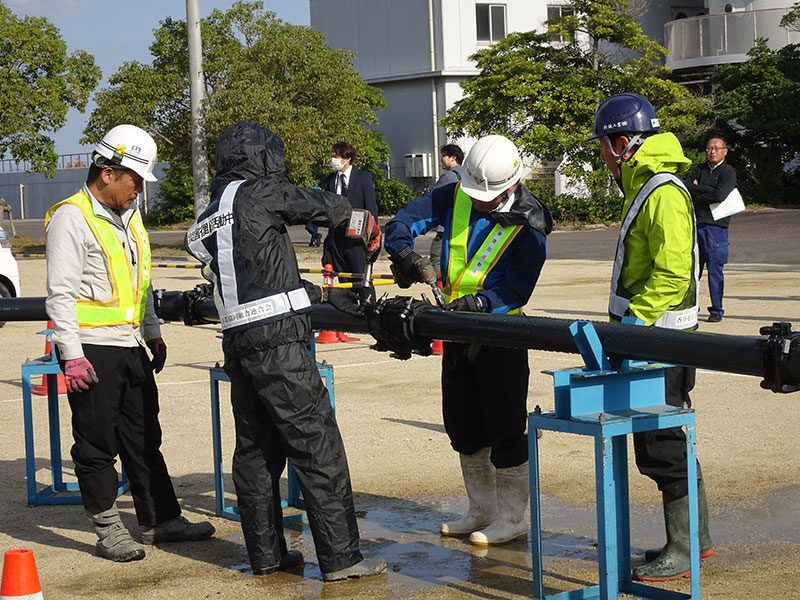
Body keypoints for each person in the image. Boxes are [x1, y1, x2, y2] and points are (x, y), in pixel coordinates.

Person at [185, 121, 386, 581]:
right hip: (280, 344)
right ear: (262, 158)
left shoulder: (211, 213)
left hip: (238, 342)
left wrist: (310, 292)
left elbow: (253, 270)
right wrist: (357, 217)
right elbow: (315, 204)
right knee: (316, 444)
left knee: (255, 454)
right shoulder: (261, 192)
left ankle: (267, 556)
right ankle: (342, 559)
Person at [45, 124, 215, 563]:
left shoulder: (130, 216)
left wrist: (153, 330)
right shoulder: (71, 217)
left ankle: (161, 519)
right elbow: (60, 295)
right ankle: (107, 528)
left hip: (132, 343)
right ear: (107, 172)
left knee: (143, 437)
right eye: (135, 179)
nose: (139, 189)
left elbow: (143, 284)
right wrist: (72, 356)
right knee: (97, 441)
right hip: (92, 348)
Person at [384, 135, 552, 546]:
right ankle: (481, 509)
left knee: (505, 427)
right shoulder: (455, 193)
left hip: (501, 334)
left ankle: (513, 517)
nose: (478, 202)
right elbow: (403, 221)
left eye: (487, 197)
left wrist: (478, 304)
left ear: (510, 186)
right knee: (462, 423)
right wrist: (403, 253)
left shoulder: (530, 225)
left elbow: (515, 290)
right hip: (456, 329)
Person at [586, 93, 713, 581]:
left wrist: (633, 326)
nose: (601, 157)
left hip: (660, 341)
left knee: (661, 443)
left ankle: (685, 549)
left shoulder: (661, 191)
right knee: (663, 439)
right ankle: (693, 541)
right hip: (654, 339)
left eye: (602, 147)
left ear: (624, 143)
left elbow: (672, 273)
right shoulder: (648, 184)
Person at [684, 137, 736, 323]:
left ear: (725, 151)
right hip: (696, 224)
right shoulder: (700, 169)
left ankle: (716, 310)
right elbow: (686, 186)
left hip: (716, 228)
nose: (712, 151)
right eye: (709, 148)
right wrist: (707, 191)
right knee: (692, 270)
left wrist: (699, 190)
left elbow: (720, 195)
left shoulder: (728, 172)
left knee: (715, 270)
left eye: (716, 148)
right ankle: (690, 306)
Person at [320, 142, 379, 297]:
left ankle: (369, 309)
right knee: (344, 279)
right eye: (332, 156)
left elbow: (371, 206)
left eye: (336, 157)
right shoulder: (330, 180)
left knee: (362, 278)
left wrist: (373, 235)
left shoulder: (363, 177)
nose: (333, 160)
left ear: (347, 158)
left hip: (357, 238)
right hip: (336, 238)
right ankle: (351, 310)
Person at [428, 144, 465, 279]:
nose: (441, 160)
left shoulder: (449, 177)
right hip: (463, 229)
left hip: (446, 229)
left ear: (453, 158)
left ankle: (440, 295)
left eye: (443, 156)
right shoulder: (467, 175)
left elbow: (432, 200)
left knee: (436, 260)